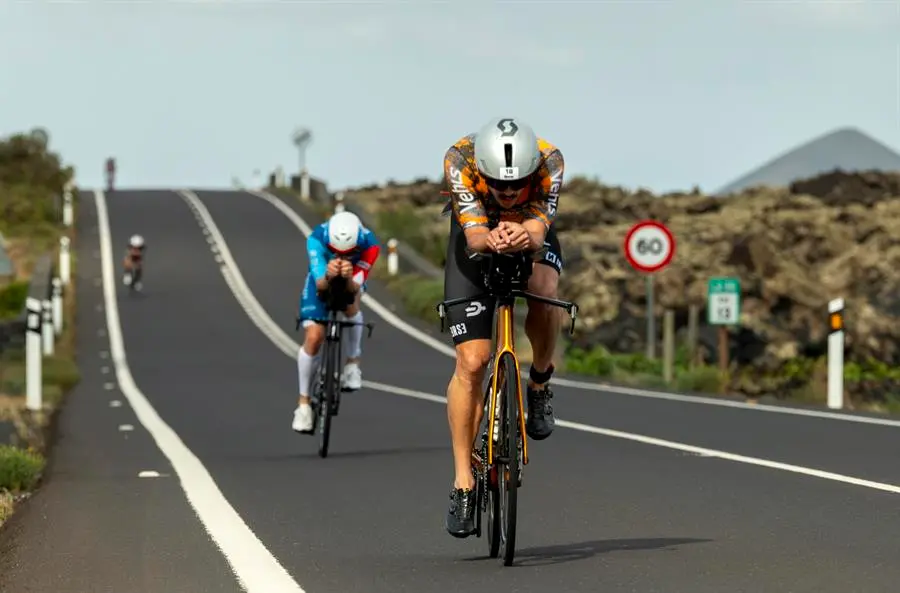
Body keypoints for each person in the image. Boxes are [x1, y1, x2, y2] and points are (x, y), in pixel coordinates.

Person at [441, 116, 565, 537]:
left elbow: (537, 226)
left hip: (530, 232)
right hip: (476, 232)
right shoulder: (460, 158)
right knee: (473, 363)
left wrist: (524, 236)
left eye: (518, 184)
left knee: (545, 288)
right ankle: (462, 481)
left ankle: (539, 384)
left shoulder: (550, 161)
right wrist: (490, 237)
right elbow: (475, 237)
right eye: (499, 185)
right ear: (484, 172)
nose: (509, 193)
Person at [292, 210, 381, 433]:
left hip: (351, 281)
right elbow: (321, 284)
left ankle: (353, 364)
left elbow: (354, 287)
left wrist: (350, 276)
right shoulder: (316, 238)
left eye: (350, 252)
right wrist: (330, 274)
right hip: (320, 280)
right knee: (314, 337)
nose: (341, 255)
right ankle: (303, 405)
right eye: (335, 251)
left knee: (352, 304)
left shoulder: (370, 246)